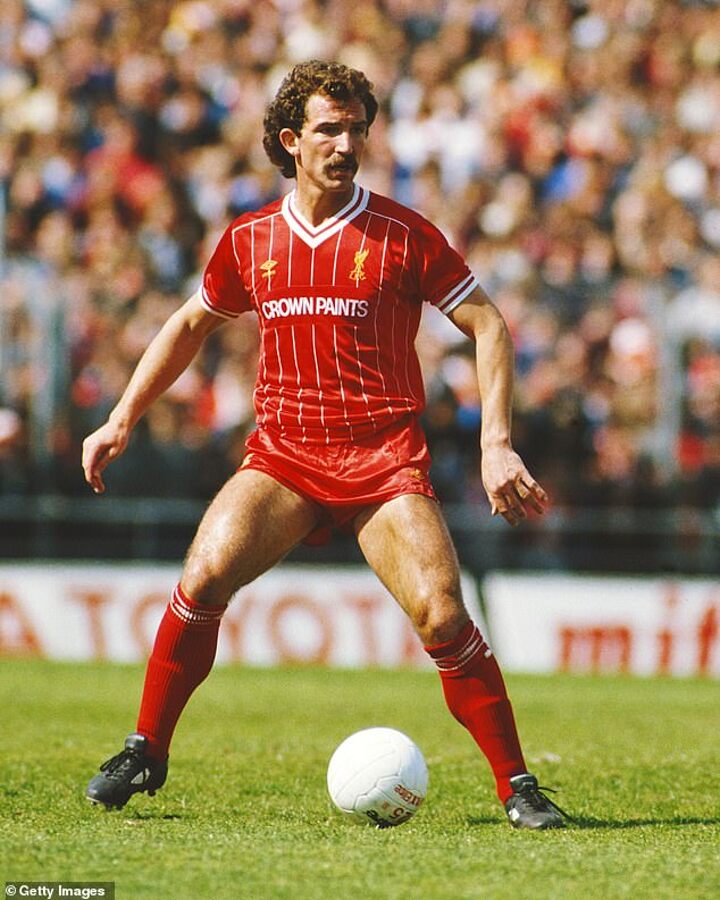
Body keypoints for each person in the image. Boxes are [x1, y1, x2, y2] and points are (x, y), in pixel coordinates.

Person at [82, 60, 567, 830]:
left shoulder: (403, 233)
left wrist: (495, 443)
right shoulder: (250, 239)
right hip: (284, 459)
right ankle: (146, 749)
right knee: (202, 578)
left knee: (443, 615)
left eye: (357, 131)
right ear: (291, 141)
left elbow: (488, 322)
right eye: (329, 130)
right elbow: (190, 324)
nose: (346, 145)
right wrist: (120, 418)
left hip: (384, 462)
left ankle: (519, 786)